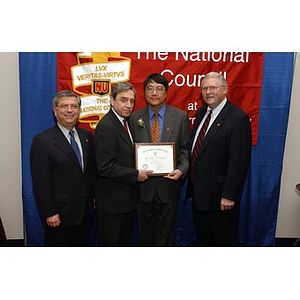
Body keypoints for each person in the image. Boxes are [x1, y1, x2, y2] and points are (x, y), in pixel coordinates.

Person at [188, 71, 252, 246]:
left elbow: (239, 162)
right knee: (204, 241)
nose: (208, 92)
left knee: (221, 243)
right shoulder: (202, 113)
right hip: (200, 196)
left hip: (221, 199)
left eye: (213, 88)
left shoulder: (238, 119)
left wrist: (229, 195)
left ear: (225, 90)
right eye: (205, 88)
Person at [129, 73, 190, 246]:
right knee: (143, 235)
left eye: (159, 88)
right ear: (144, 92)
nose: (154, 93)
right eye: (150, 88)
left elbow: (185, 149)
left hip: (169, 186)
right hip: (142, 188)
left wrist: (181, 170)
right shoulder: (134, 118)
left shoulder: (180, 117)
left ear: (166, 92)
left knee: (167, 235)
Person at [30, 90, 97, 246]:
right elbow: (41, 182)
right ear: (55, 111)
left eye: (74, 106)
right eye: (64, 106)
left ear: (79, 111)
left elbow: (90, 172)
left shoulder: (87, 136)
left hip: (85, 214)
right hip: (59, 216)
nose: (69, 110)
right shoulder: (42, 141)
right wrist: (50, 212)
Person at [94, 82, 150, 246]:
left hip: (126, 201)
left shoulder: (126, 122)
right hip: (112, 205)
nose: (128, 105)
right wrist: (135, 175)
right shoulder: (107, 126)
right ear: (112, 100)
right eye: (123, 100)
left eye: (132, 101)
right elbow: (105, 167)